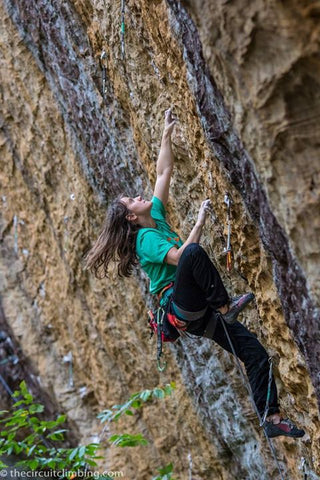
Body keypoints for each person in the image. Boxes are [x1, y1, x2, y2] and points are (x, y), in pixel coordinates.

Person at [85, 109, 305, 439]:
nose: (138, 196)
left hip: (197, 314)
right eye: (132, 200)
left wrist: (165, 132)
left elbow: (164, 172)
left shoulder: (155, 217)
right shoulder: (145, 239)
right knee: (193, 252)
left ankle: (271, 418)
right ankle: (227, 308)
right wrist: (200, 222)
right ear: (131, 218)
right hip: (181, 305)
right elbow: (181, 258)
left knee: (255, 353)